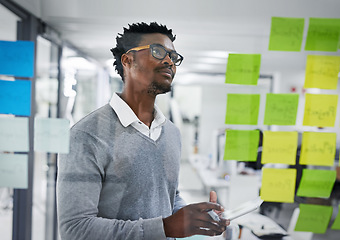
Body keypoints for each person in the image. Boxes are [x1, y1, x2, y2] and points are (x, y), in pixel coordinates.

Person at [57, 22, 230, 240]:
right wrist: (165, 227)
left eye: (174, 57)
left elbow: (168, 197)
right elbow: (75, 229)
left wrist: (194, 217)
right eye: (158, 52)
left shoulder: (171, 134)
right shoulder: (86, 135)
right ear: (128, 60)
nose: (169, 61)